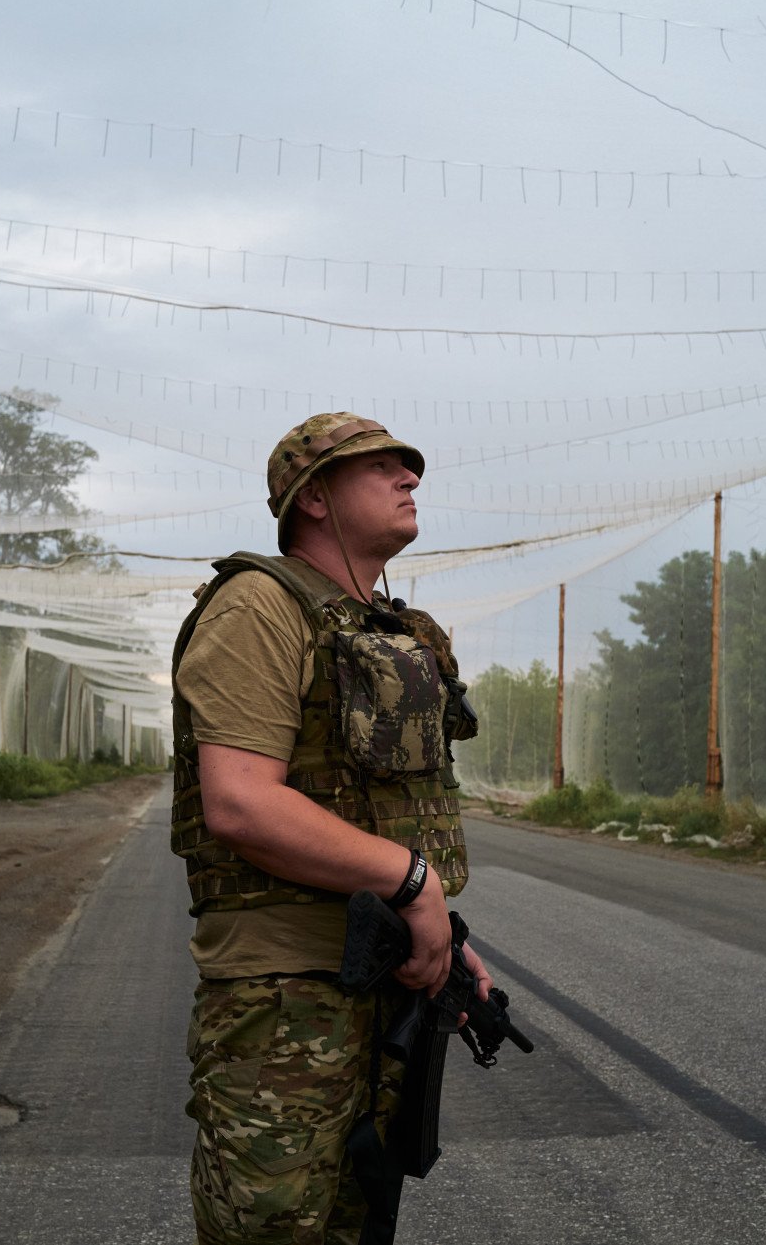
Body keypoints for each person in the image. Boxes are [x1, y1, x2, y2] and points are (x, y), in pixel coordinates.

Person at [170, 411, 491, 1244]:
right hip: (284, 996)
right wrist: (413, 883)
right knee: (271, 1228)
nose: (409, 477)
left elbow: (379, 806)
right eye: (380, 466)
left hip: (376, 974)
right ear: (313, 497)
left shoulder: (386, 629)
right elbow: (239, 801)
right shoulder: (260, 608)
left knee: (357, 1221)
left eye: (409, 466)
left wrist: (439, 932)